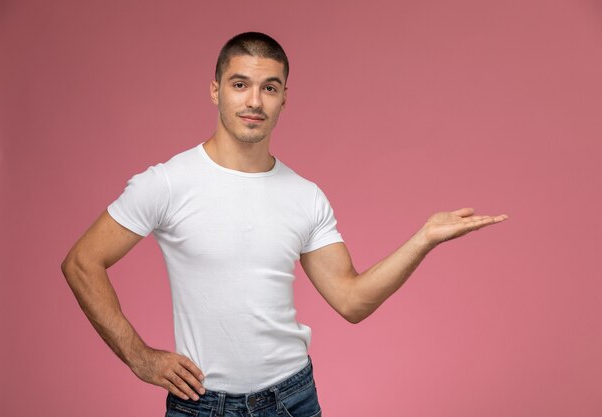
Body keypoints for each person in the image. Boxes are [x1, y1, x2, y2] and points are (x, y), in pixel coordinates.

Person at [61, 32, 508, 417]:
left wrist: (423, 238)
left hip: (291, 398)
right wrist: (139, 358)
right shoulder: (166, 183)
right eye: (240, 84)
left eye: (269, 88)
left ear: (284, 98)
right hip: (201, 404)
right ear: (216, 91)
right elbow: (82, 262)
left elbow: (351, 301)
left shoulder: (304, 195)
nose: (254, 101)